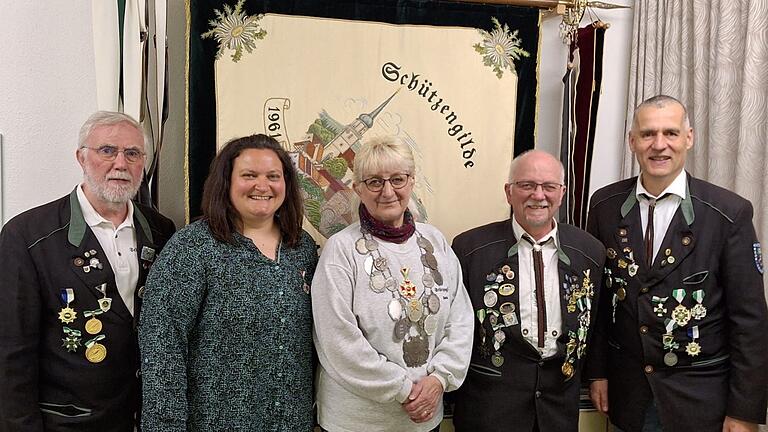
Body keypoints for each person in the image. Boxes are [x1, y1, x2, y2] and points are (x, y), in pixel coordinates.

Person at [586, 95, 768, 432]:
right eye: (648, 134)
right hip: (630, 397)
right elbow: (596, 302)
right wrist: (597, 372)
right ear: (632, 141)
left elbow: (750, 321)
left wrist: (744, 410)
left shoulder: (728, 214)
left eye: (670, 133)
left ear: (689, 138)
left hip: (700, 401)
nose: (659, 145)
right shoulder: (605, 206)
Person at [0, 111, 176, 431]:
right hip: (69, 421)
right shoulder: (27, 236)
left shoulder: (161, 231)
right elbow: (12, 353)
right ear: (81, 157)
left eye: (132, 153)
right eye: (107, 150)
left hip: (142, 418)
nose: (121, 164)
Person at [138, 134, 319, 431]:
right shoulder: (193, 247)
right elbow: (162, 344)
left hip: (292, 422)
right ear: (226, 182)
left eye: (273, 176)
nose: (263, 186)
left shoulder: (302, 249)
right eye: (249, 175)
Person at [311, 136, 473, 432]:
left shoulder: (435, 241)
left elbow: (460, 320)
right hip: (357, 423)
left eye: (397, 179)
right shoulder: (340, 250)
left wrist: (439, 379)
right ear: (357, 188)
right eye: (374, 182)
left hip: (424, 420)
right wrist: (405, 390)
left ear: (412, 181)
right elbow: (338, 342)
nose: (387, 192)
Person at [451, 149, 606, 432]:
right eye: (527, 185)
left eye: (548, 186)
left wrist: (598, 376)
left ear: (561, 193)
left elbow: (597, 325)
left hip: (557, 410)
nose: (538, 195)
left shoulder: (590, 251)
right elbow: (454, 330)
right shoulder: (469, 249)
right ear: (509, 192)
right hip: (489, 410)